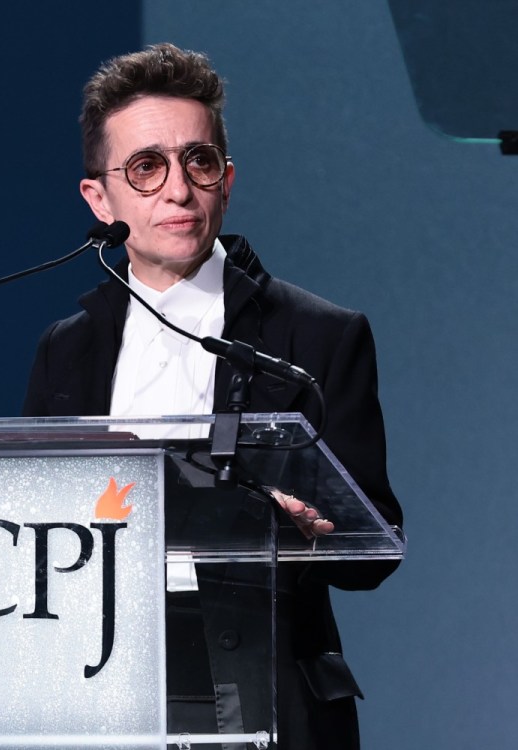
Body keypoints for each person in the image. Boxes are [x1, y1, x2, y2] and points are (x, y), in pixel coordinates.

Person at [23, 42, 402, 750]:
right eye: (146, 167)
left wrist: (286, 526)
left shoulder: (318, 335)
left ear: (226, 181)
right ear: (99, 199)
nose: (178, 190)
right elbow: (34, 537)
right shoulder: (66, 349)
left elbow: (373, 549)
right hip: (100, 696)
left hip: (266, 698)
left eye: (197, 161)